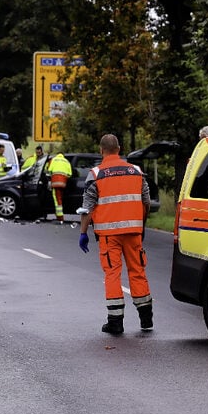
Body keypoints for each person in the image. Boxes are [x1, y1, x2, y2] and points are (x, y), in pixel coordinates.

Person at [78, 134, 152, 334]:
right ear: (119, 149)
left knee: (112, 274)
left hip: (109, 235)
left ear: (102, 150)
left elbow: (88, 208)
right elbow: (146, 202)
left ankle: (115, 322)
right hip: (134, 232)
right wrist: (141, 226)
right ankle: (146, 320)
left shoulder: (96, 174)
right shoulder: (136, 171)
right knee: (138, 271)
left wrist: (83, 232)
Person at [45, 151, 73, 223]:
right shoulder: (66, 161)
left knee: (57, 199)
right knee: (60, 198)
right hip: (63, 183)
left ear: (57, 155)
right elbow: (70, 174)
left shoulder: (53, 160)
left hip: (55, 183)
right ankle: (59, 216)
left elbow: (48, 171)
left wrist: (49, 179)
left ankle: (60, 217)